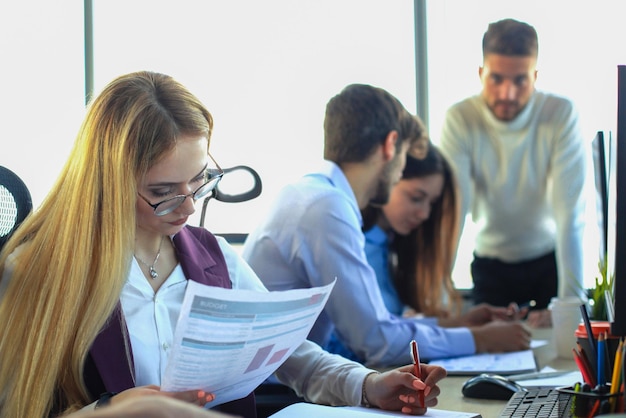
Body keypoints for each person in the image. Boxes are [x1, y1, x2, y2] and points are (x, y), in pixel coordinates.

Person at [0, 71, 447, 418]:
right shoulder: (36, 269)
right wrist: (111, 412)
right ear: (108, 182)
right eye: (163, 192)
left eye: (200, 181)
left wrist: (368, 384)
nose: (189, 207)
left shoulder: (212, 257)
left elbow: (291, 355)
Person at [242, 84, 530, 369]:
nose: (401, 171)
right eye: (405, 155)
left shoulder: (314, 194)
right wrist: (478, 340)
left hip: (282, 384)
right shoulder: (327, 208)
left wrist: (458, 325)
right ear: (391, 144)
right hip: (275, 397)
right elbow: (377, 342)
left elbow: (377, 322)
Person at [438, 18, 587, 328]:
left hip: (549, 265)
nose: (507, 93)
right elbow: (454, 212)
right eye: (496, 79)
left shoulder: (559, 114)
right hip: (491, 270)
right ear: (481, 74)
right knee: (490, 360)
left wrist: (569, 309)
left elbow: (569, 214)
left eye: (520, 80)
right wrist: (437, 297)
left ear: (535, 76)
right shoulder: (461, 118)